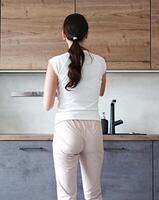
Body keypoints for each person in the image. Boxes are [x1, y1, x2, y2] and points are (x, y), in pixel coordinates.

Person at [43, 13, 107, 200]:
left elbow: (47, 105)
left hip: (66, 128)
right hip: (93, 129)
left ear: (63, 34)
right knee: (94, 194)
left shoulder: (55, 63)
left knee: (66, 196)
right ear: (86, 35)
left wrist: (57, 91)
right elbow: (101, 91)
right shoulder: (101, 62)